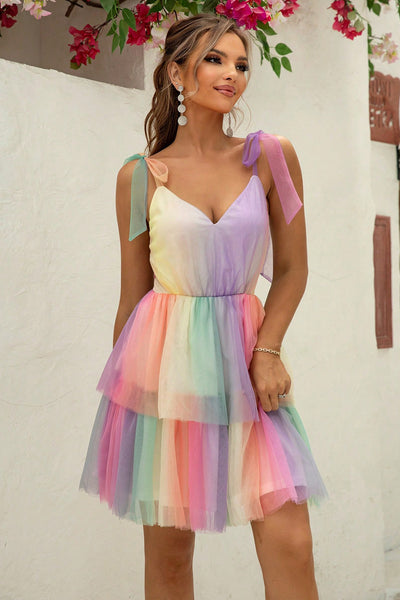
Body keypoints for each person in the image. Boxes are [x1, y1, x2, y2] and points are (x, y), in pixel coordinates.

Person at [79, 12, 327, 600]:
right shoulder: (139, 176)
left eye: (241, 63)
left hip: (249, 368)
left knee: (290, 541)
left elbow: (293, 269)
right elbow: (133, 295)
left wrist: (268, 350)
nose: (232, 73)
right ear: (176, 73)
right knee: (169, 560)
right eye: (214, 59)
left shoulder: (271, 156)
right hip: (165, 373)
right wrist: (127, 403)